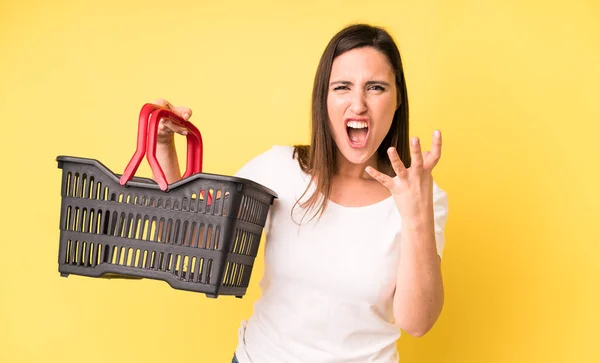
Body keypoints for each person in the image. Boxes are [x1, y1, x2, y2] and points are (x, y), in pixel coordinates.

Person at [151, 23, 448, 363]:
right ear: (324, 99)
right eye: (342, 87)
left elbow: (418, 322)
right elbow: (189, 242)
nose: (358, 104)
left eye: (376, 88)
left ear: (397, 102)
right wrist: (164, 148)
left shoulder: (423, 196)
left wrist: (416, 218)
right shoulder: (279, 169)